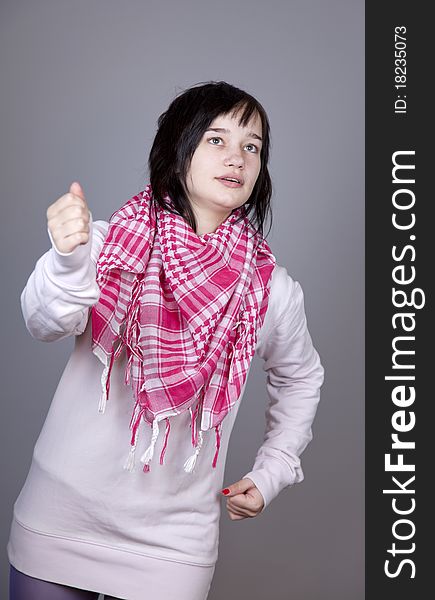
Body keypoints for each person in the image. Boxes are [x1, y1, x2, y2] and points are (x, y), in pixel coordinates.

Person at [7, 81, 324, 600]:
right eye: (216, 140)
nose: (237, 158)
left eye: (252, 146)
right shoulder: (108, 243)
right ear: (179, 150)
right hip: (59, 521)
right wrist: (67, 261)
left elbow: (301, 377)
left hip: (173, 546)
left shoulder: (271, 290)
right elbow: (44, 323)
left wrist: (273, 472)